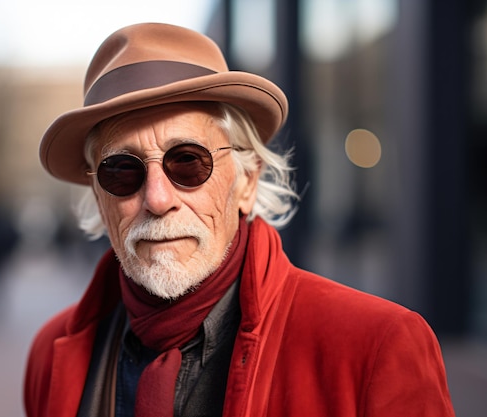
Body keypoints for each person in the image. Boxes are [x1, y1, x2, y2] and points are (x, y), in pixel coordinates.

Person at [24, 23, 455, 417]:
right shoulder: (52, 354)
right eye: (122, 171)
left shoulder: (375, 348)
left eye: (188, 161)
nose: (157, 199)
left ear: (247, 181)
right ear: (100, 200)